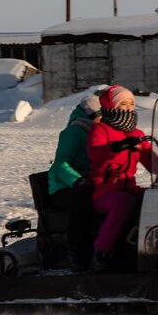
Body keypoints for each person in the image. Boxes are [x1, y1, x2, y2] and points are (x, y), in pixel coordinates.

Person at [86, 85, 153, 270]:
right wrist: (116, 147)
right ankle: (101, 252)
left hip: (129, 188)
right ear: (111, 105)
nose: (129, 108)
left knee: (157, 198)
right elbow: (95, 153)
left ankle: (152, 250)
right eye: (123, 103)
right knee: (123, 203)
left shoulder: (137, 134)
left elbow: (153, 162)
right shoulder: (100, 130)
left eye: (131, 103)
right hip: (104, 191)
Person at [47, 91, 103, 271]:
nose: (104, 119)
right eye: (101, 115)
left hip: (88, 182)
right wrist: (78, 181)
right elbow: (61, 164)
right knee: (83, 200)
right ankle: (77, 253)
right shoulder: (74, 131)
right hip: (63, 187)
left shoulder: (99, 132)